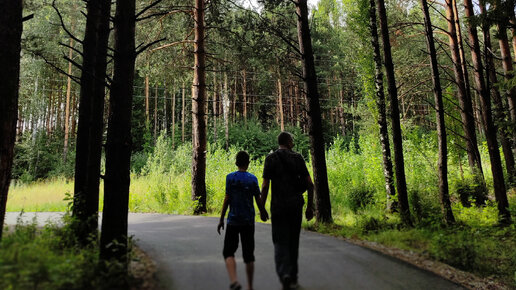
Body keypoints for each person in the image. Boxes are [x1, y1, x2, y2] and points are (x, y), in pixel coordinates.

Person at [260, 131, 314, 290]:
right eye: (293, 140)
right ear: (288, 142)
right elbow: (310, 184)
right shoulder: (298, 158)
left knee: (279, 241)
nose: (294, 143)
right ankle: (293, 277)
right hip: (295, 206)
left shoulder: (270, 159)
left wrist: (262, 208)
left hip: (278, 207)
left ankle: (284, 274)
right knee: (293, 241)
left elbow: (264, 186)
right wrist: (310, 207)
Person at [218, 151, 269, 290]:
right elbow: (258, 200)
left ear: (236, 162)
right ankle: (250, 286)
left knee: (228, 252)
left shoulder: (230, 178)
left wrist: (221, 219)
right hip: (248, 221)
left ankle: (234, 281)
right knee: (248, 255)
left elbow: (227, 199)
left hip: (233, 220)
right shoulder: (252, 179)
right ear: (248, 163)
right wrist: (263, 212)